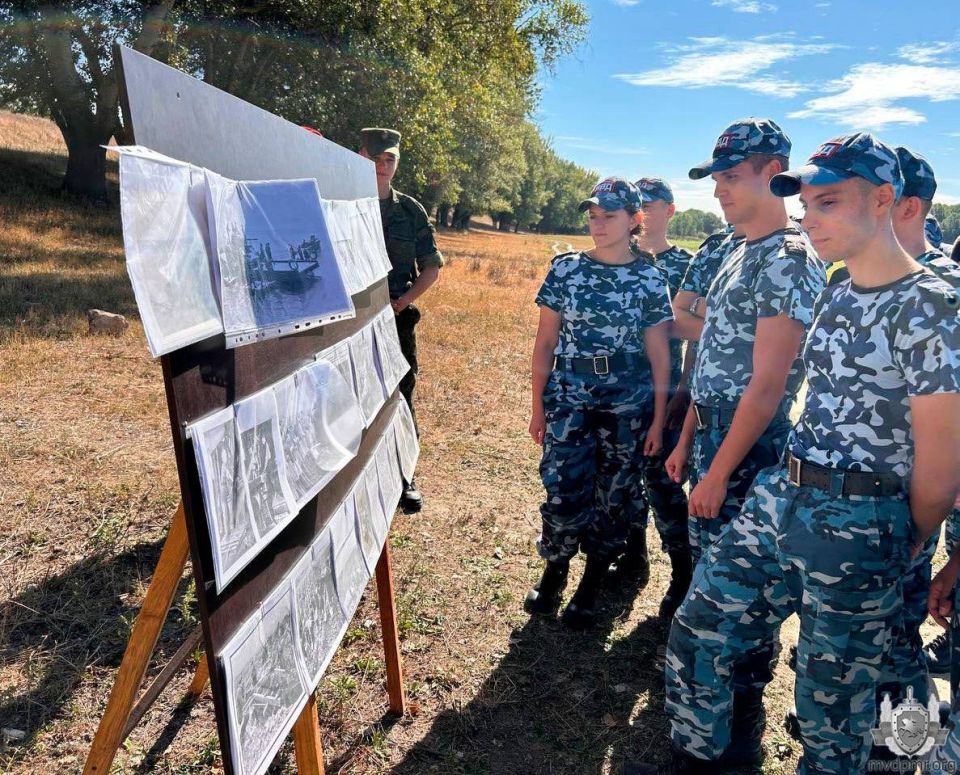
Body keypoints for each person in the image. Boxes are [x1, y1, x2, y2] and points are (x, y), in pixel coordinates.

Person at [637, 132, 960, 774]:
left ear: (885, 201)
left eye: (829, 202)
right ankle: (708, 758)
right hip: (784, 499)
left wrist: (903, 542)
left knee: (835, 709)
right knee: (700, 628)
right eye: (806, 204)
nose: (810, 218)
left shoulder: (932, 306)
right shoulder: (838, 288)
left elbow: (941, 467)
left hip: (862, 523)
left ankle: (902, 759)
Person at [660, 118, 825, 765]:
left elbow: (767, 386)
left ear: (774, 170)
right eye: (717, 177)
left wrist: (719, 470)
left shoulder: (788, 256)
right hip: (714, 442)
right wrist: (688, 441)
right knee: (712, 590)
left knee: (737, 615)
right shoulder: (739, 250)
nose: (721, 189)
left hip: (748, 454)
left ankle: (730, 747)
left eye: (733, 175)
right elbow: (711, 362)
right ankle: (717, 733)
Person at [525, 177, 673, 629]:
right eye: (592, 215)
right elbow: (545, 342)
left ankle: (592, 582)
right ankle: (554, 571)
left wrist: (659, 420)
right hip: (569, 396)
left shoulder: (649, 277)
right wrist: (538, 407)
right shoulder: (566, 269)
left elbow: (659, 354)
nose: (598, 224)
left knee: (614, 495)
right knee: (564, 487)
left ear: (634, 220)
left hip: (627, 404)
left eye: (609, 215)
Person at [610, 176, 693, 618]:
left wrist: (685, 392)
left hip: (664, 390)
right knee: (620, 479)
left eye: (652, 202)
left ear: (669, 210)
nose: (644, 209)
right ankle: (632, 552)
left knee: (664, 484)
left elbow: (694, 332)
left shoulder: (686, 264)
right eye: (638, 203)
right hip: (618, 391)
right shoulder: (619, 258)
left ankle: (682, 570)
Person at [359, 127, 443, 513]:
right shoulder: (341, 202)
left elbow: (430, 268)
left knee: (400, 393)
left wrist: (401, 302)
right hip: (348, 320)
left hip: (395, 319)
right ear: (359, 156)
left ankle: (404, 475)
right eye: (375, 158)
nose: (382, 165)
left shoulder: (409, 210)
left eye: (389, 159)